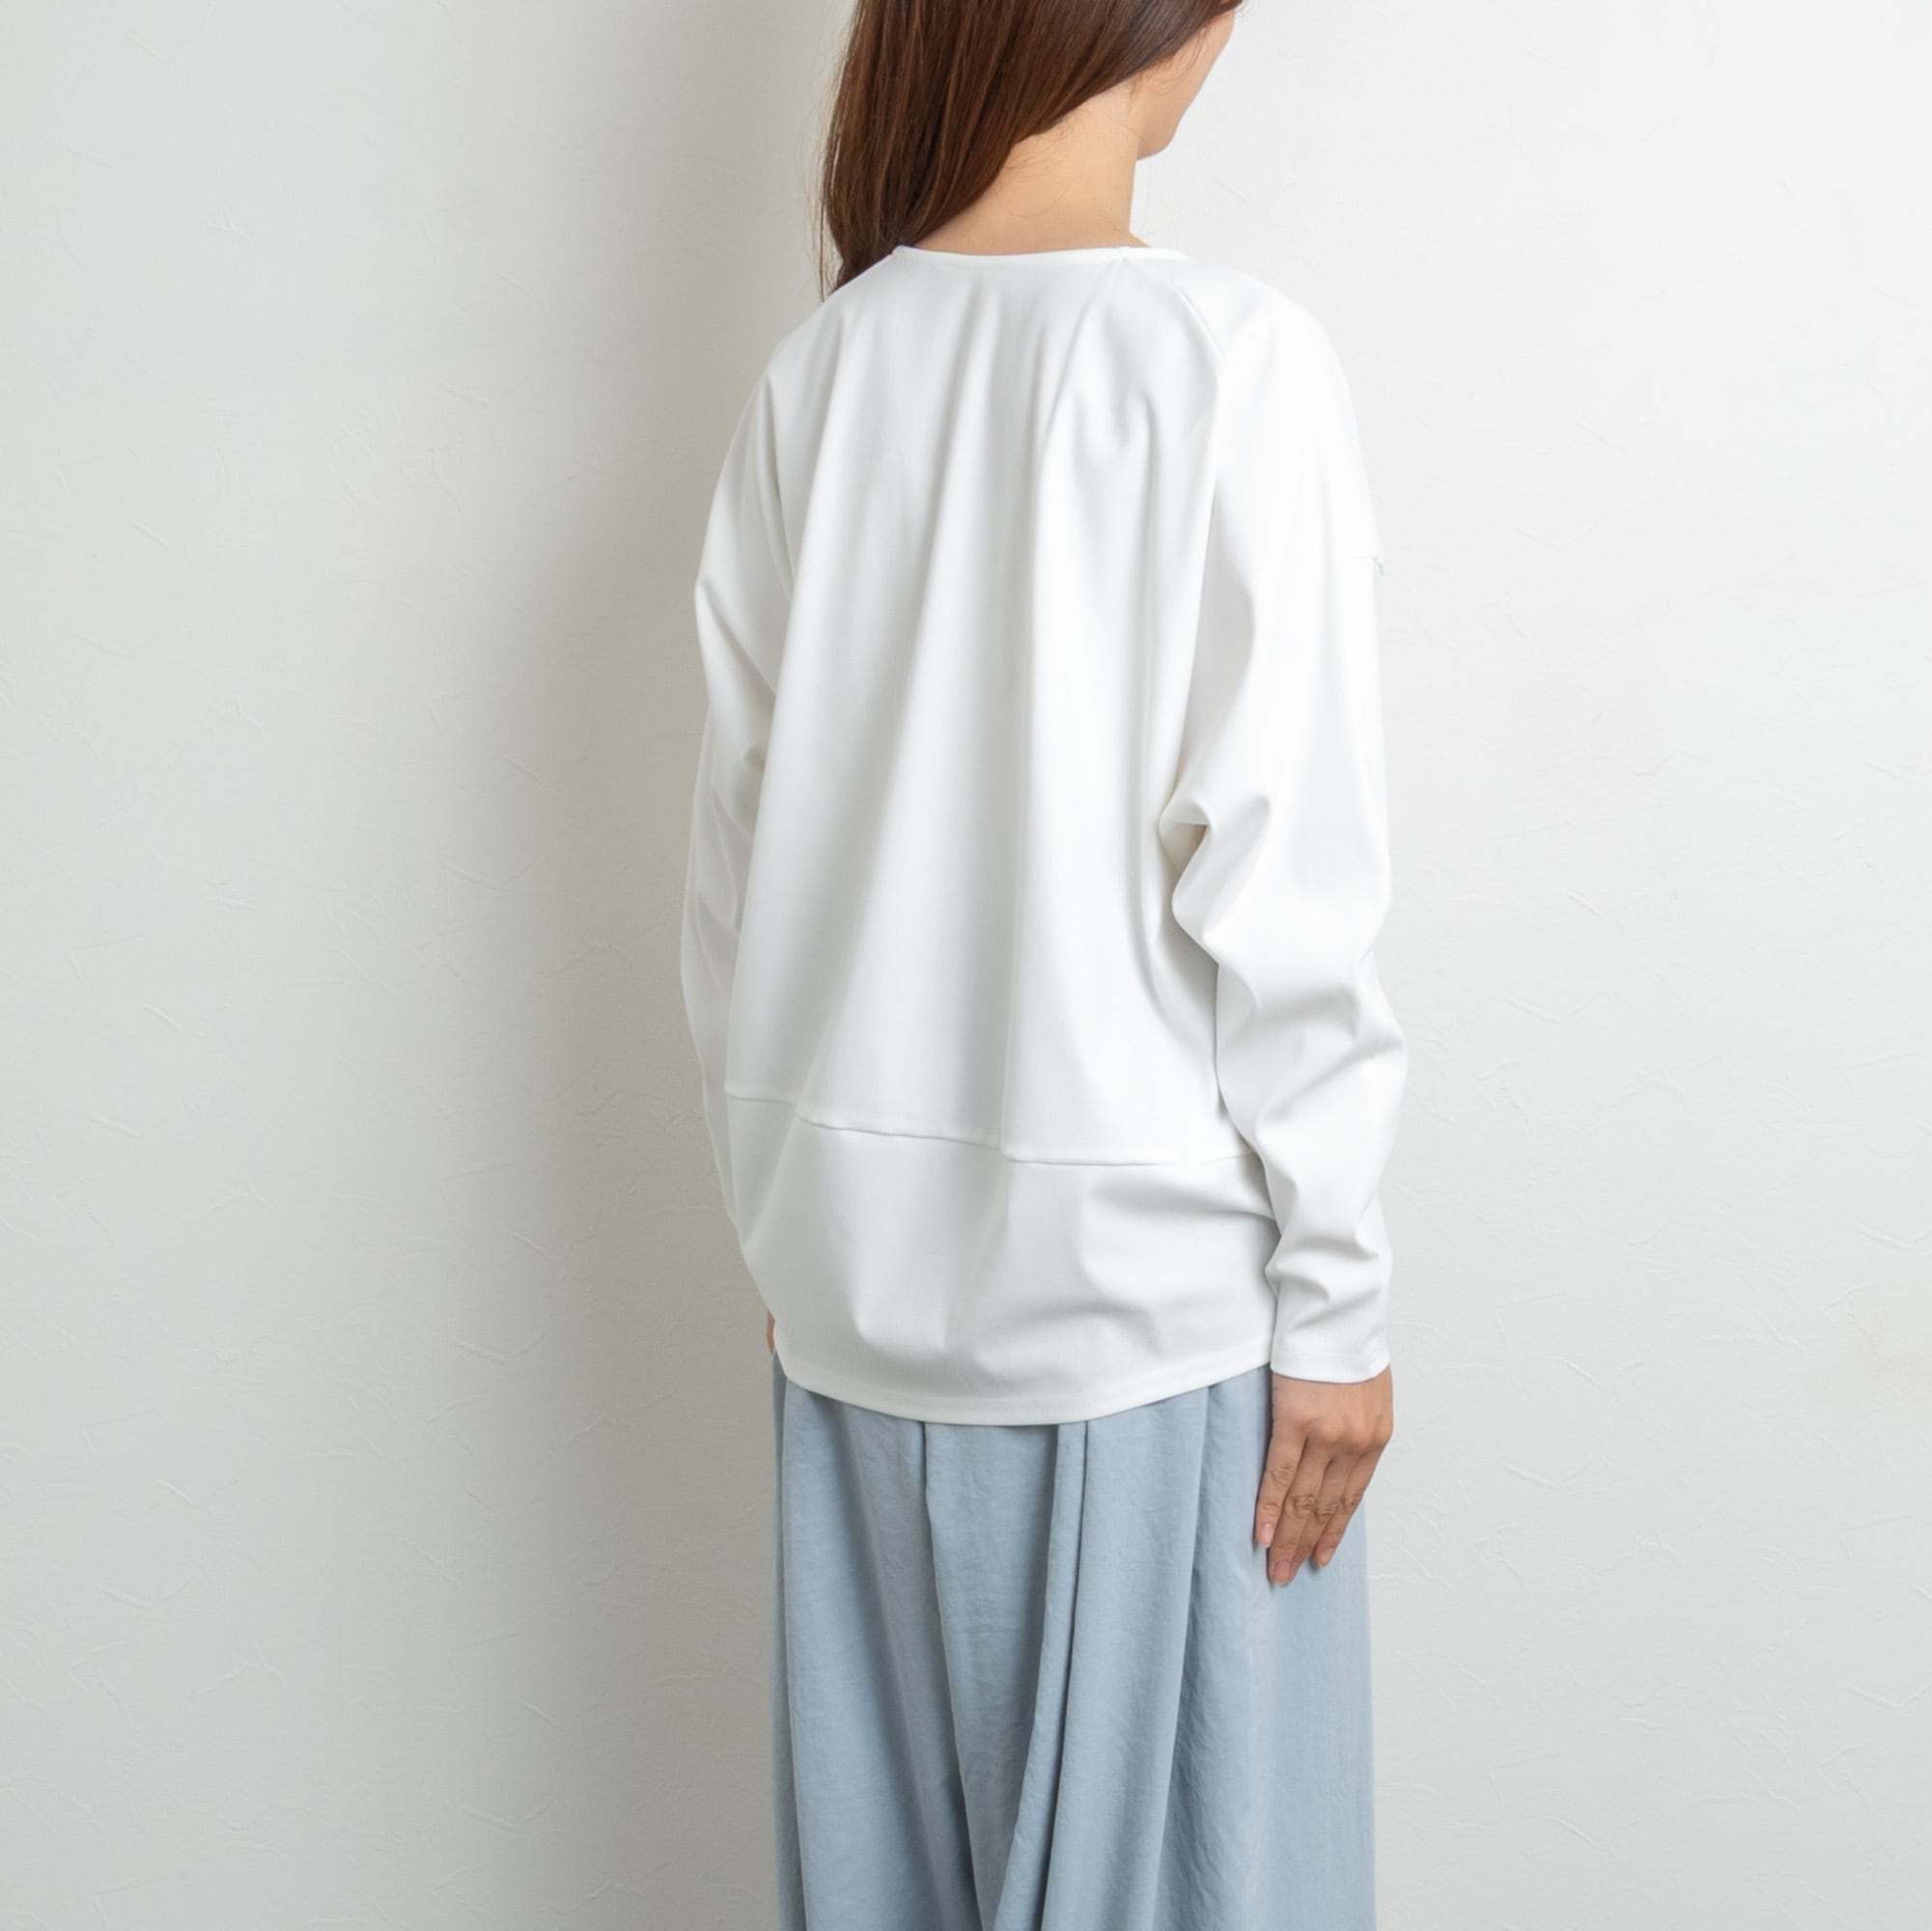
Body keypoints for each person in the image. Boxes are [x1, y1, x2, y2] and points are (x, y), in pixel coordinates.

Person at [678, 0, 1407, 1922]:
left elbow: (737, 876)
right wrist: (1335, 1307)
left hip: (853, 1327)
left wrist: (792, 1231)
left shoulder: (821, 372)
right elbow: (1285, 878)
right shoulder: (1227, 361)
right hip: (1146, 1343)